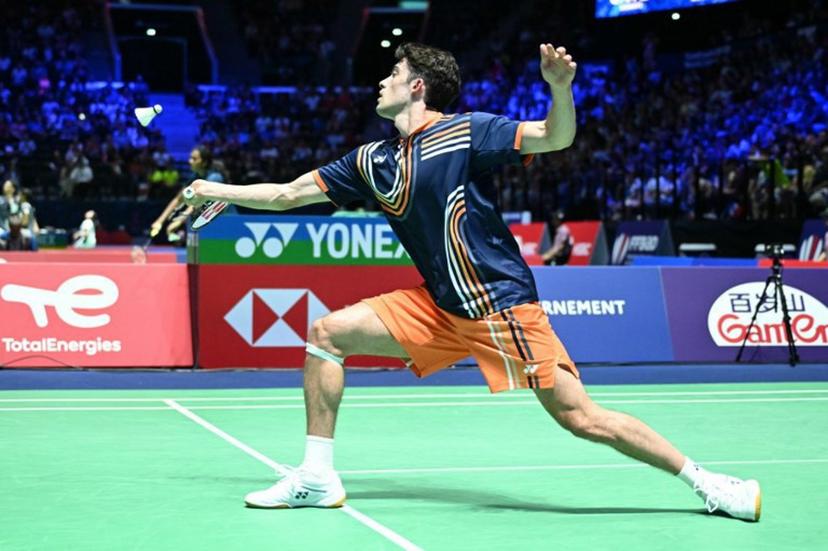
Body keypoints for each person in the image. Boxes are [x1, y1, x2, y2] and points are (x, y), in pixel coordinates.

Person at [183, 42, 761, 521]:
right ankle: (315, 477)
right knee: (327, 333)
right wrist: (217, 191)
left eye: (393, 73)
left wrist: (561, 90)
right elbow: (288, 194)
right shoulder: (371, 160)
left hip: (499, 304)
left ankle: (710, 484)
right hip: (439, 306)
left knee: (580, 417)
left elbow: (553, 137)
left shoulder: (468, 133)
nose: (381, 81)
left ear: (417, 86)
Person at [150, 145, 224, 243]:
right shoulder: (195, 177)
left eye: (194, 159)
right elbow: (178, 199)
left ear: (204, 162)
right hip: (209, 221)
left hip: (226, 221)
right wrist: (159, 221)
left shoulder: (214, 178)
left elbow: (197, 202)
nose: (190, 161)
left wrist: (179, 221)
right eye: (190, 158)